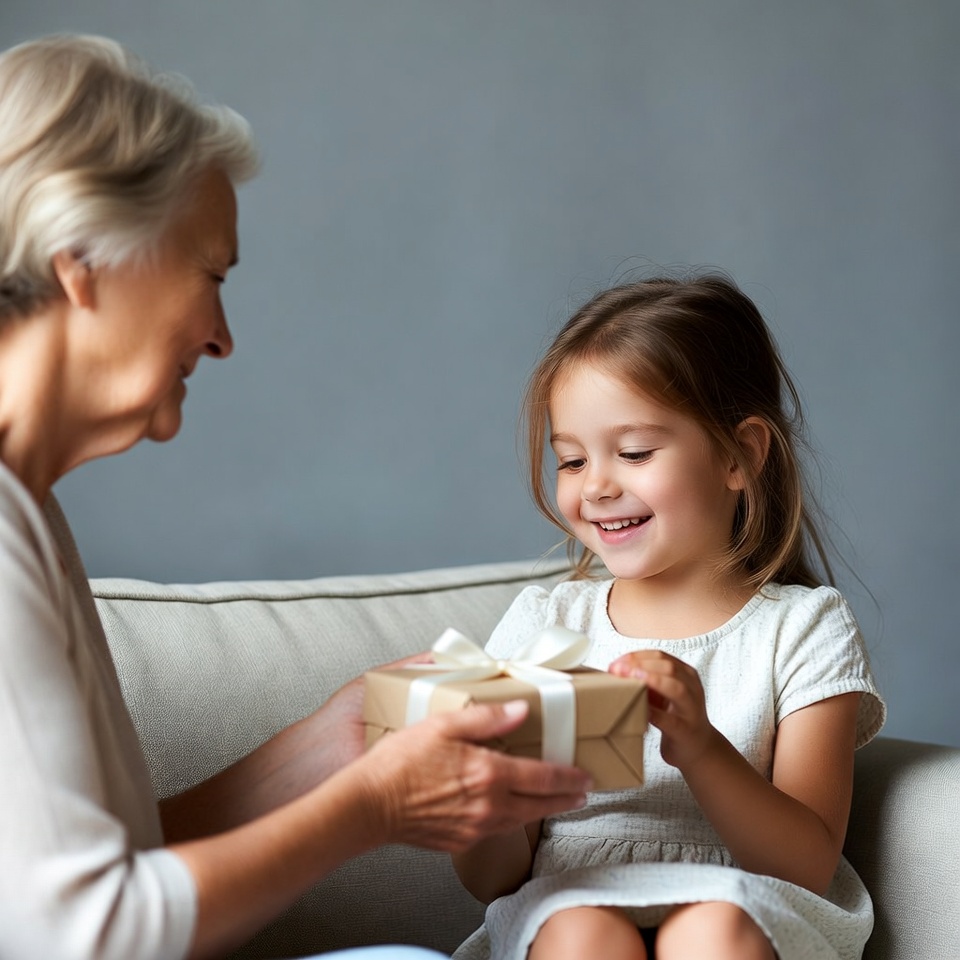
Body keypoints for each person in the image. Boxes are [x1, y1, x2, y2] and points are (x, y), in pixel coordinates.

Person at [0, 34, 593, 960]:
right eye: (212, 275)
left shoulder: (28, 510)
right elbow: (85, 932)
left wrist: (330, 748)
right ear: (84, 260)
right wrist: (375, 805)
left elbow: (96, 876)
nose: (223, 337)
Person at [450, 275, 886, 960]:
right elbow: (492, 879)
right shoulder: (546, 623)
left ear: (740, 455)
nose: (596, 485)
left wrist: (701, 745)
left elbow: (806, 866)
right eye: (571, 460)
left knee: (711, 930)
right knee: (579, 930)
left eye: (634, 453)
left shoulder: (804, 627)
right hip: (570, 901)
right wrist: (484, 789)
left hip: (745, 907)